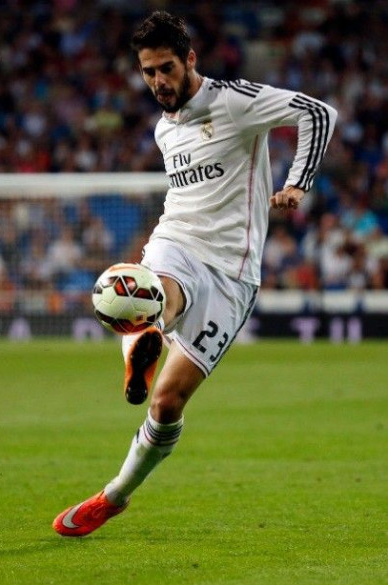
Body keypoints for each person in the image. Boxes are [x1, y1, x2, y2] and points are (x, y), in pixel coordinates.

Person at [53, 11, 337, 537]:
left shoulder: (234, 101)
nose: (158, 81)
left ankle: (114, 495)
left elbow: (318, 113)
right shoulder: (166, 127)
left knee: (166, 403)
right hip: (176, 243)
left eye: (166, 68)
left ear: (189, 60)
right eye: (147, 72)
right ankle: (148, 337)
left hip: (233, 273)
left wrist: (298, 183)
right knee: (138, 295)